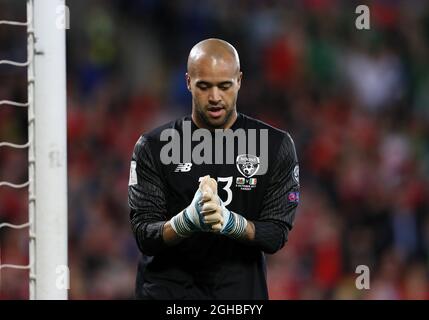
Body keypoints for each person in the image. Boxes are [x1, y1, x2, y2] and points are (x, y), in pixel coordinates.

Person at [128, 38, 300, 299]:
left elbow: (276, 234)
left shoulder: (274, 146)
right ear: (188, 82)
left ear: (240, 80)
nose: (215, 97)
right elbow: (144, 234)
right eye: (204, 86)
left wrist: (233, 223)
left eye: (225, 86)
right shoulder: (152, 147)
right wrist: (186, 222)